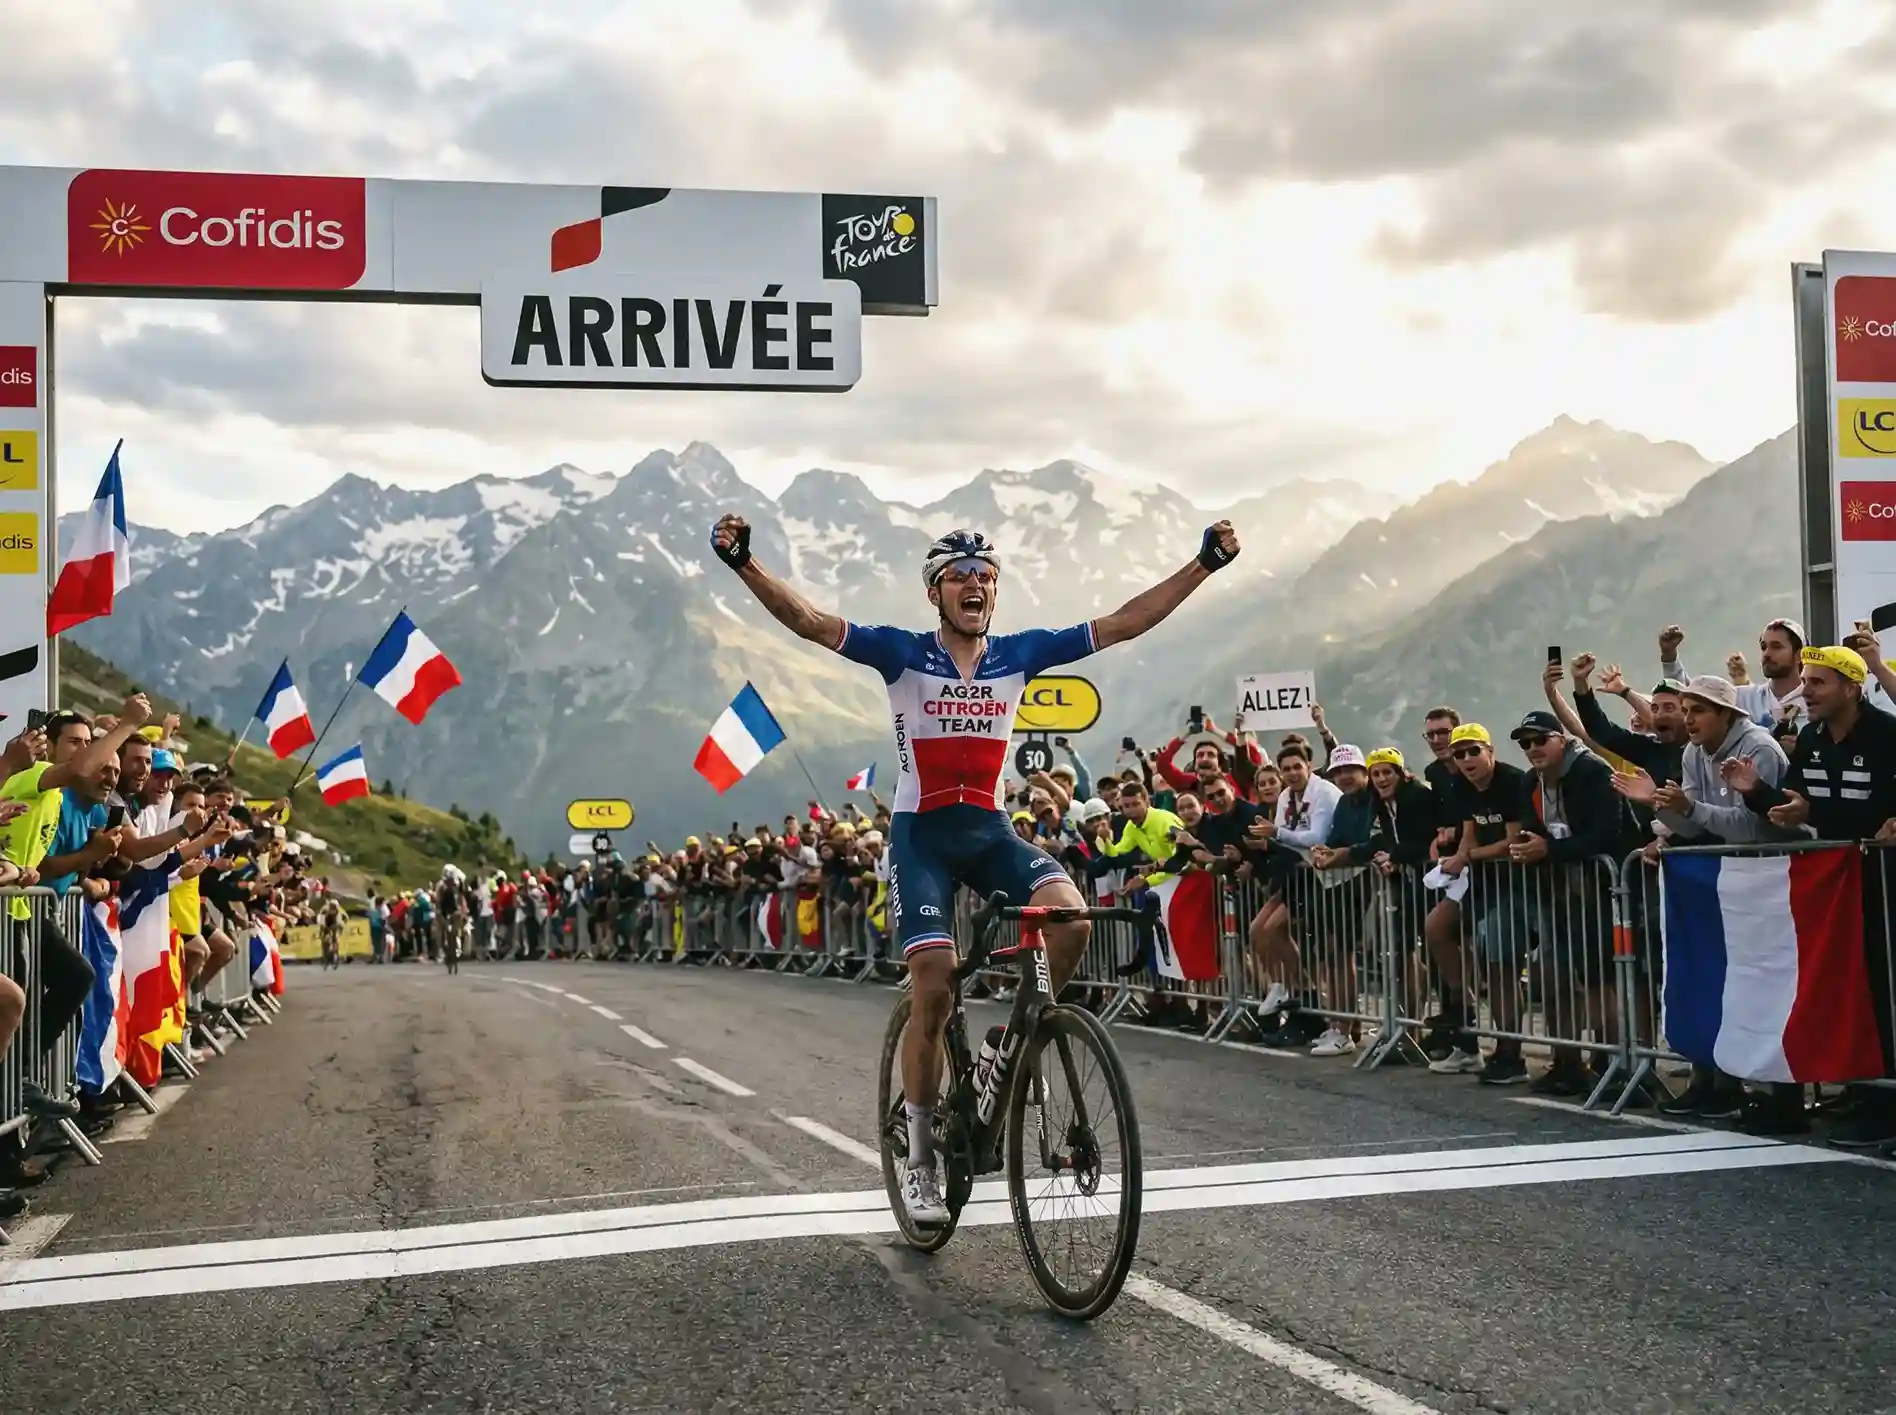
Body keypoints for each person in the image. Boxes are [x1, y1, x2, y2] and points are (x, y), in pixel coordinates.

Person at [712, 512, 1240, 1225]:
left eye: (984, 577)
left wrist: (1203, 562)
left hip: (990, 831)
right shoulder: (902, 653)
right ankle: (922, 1160)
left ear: (995, 591)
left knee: (1072, 916)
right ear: (935, 592)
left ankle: (1005, 1043)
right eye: (959, 576)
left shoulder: (1020, 654)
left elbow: (1123, 623)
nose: (974, 586)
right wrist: (746, 562)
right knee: (933, 981)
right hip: (921, 835)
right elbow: (809, 620)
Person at [1729, 645, 1896, 1144]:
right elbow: (1797, 807)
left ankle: (1885, 1101)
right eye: (1804, 682)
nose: (1807, 692)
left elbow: (1871, 821)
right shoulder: (1808, 737)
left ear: (1851, 687)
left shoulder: (1888, 734)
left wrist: (1812, 816)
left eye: (1818, 682)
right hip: (1837, 886)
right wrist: (1757, 792)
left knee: (1886, 990)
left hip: (1885, 883)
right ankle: (1868, 1089)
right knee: (1854, 987)